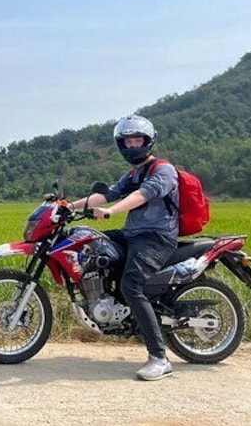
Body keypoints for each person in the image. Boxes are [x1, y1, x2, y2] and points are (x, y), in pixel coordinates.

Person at [70, 114, 179, 381]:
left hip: (156, 238)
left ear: (149, 141)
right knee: (89, 244)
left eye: (137, 140)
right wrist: (68, 206)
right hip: (132, 234)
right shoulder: (133, 173)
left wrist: (110, 212)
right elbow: (108, 193)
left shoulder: (163, 170)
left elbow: (141, 195)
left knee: (131, 285)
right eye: (127, 142)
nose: (132, 146)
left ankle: (159, 358)